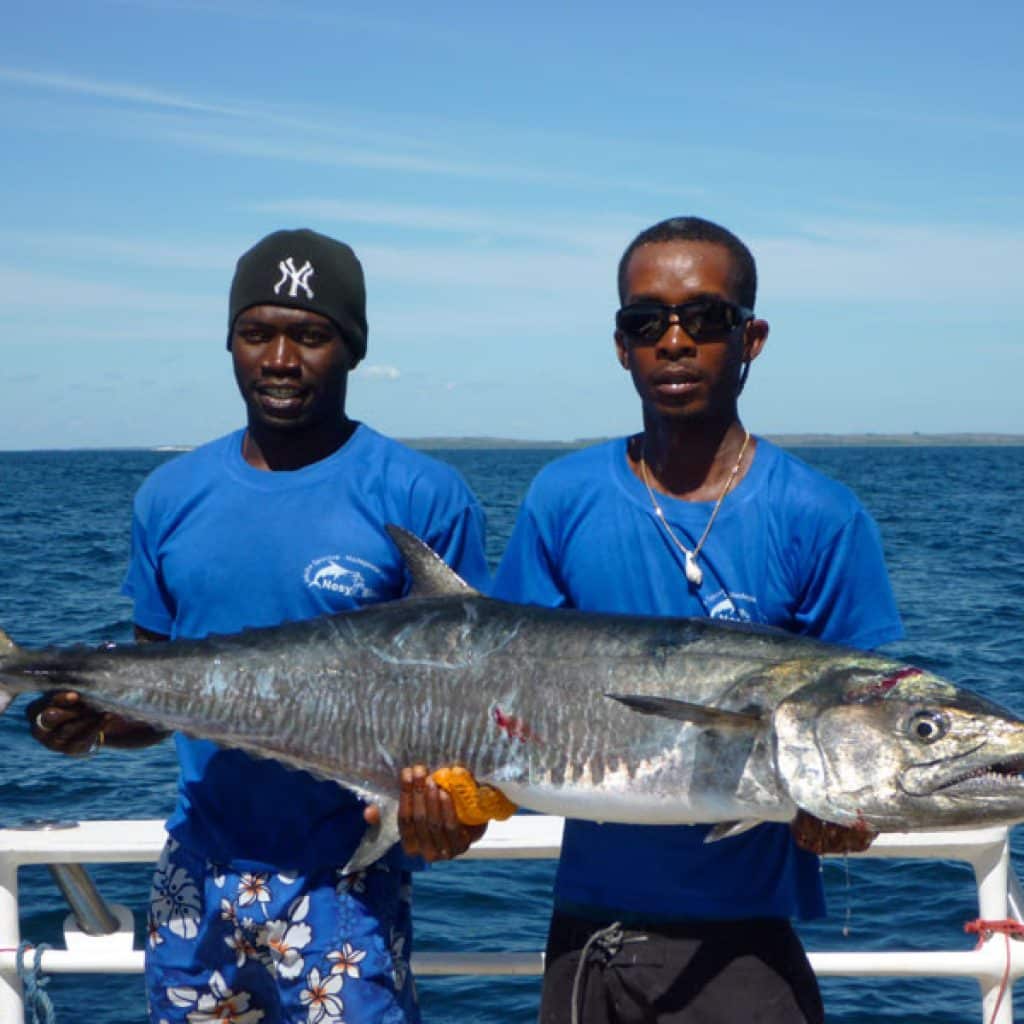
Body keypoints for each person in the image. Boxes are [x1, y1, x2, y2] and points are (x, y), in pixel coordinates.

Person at [27, 228, 489, 1024]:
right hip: (195, 873)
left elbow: (475, 716)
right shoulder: (169, 497)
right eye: (257, 333)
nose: (279, 358)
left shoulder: (421, 495)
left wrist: (453, 809)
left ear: (351, 348)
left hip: (348, 877)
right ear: (231, 342)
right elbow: (159, 696)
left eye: (310, 336)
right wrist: (90, 724)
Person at [492, 216, 904, 1024]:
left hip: (747, 946)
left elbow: (862, 728)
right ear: (620, 346)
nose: (674, 341)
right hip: (587, 938)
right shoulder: (562, 498)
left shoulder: (822, 515)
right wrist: (451, 788)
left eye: (705, 318)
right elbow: (505, 697)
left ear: (751, 338)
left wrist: (854, 814)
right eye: (646, 322)